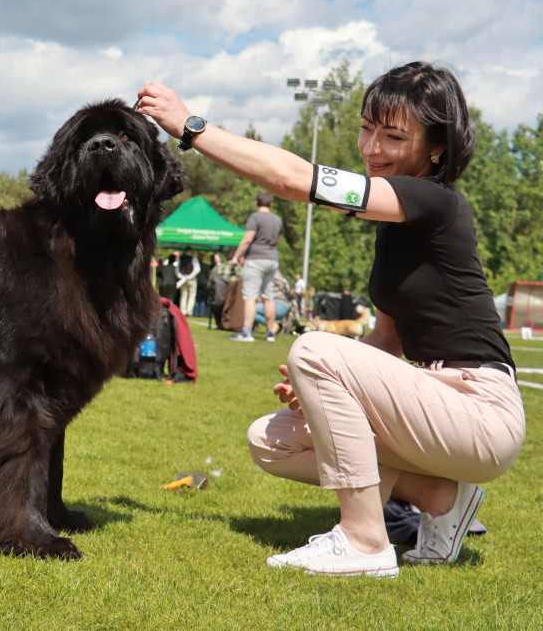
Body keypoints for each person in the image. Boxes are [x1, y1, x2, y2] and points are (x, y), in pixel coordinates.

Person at [137, 61, 525, 578]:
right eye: (367, 129)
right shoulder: (396, 224)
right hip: (434, 402)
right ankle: (442, 497)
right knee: (270, 441)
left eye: (393, 136)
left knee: (314, 348)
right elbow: (385, 340)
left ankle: (365, 542)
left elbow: (296, 179)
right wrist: (326, 388)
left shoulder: (433, 200)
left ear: (437, 147)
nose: (371, 148)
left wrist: (192, 127)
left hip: (480, 410)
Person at [228, 192, 283, 342]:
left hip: (256, 259)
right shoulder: (278, 220)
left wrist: (235, 257)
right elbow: (278, 240)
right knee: (268, 297)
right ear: (271, 204)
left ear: (256, 203)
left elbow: (247, 239)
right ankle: (270, 333)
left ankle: (246, 333)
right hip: (272, 259)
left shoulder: (255, 218)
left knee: (250, 296)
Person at [176, 247, 201, 316]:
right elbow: (197, 269)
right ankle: (189, 312)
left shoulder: (180, 259)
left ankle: (183, 311)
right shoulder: (194, 259)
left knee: (184, 295)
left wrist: (182, 277)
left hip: (183, 279)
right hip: (190, 280)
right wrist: (189, 277)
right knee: (191, 296)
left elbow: (177, 271)